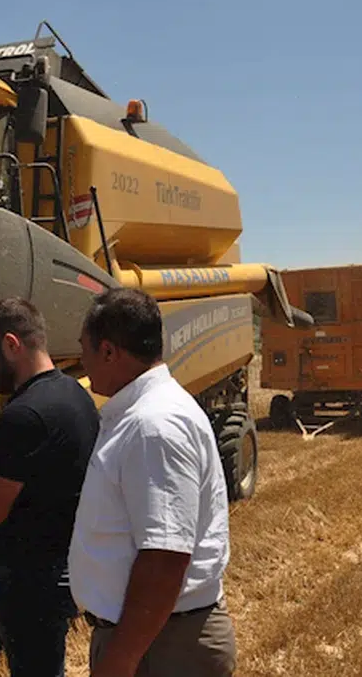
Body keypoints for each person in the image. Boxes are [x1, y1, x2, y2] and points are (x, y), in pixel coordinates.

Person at [68, 287, 238, 677]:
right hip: (153, 637)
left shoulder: (153, 426)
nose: (81, 361)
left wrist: (120, 660)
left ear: (109, 351)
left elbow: (165, 559)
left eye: (85, 349)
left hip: (161, 647)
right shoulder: (146, 414)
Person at [0, 297, 101, 677]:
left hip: (32, 576)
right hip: (67, 561)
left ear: (11, 345)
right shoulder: (74, 393)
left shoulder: (24, 414)